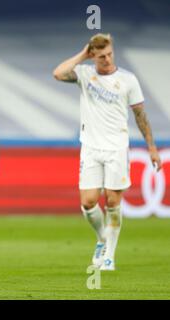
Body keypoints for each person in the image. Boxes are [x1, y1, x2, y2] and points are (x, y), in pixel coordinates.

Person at [53, 33, 161, 271]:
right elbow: (58, 73)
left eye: (110, 54)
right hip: (90, 147)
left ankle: (110, 254)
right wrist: (83, 54)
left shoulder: (128, 80)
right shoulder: (84, 74)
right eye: (101, 56)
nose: (108, 59)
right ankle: (102, 238)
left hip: (117, 147)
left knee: (113, 200)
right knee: (88, 202)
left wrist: (151, 148)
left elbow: (140, 115)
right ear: (93, 56)